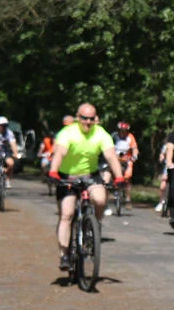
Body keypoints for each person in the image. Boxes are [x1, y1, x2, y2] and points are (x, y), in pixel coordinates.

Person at [47, 103, 126, 270]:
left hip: (90, 174)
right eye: (84, 118)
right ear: (78, 117)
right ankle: (64, 254)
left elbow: (111, 156)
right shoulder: (67, 133)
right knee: (67, 214)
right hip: (67, 175)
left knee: (100, 199)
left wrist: (119, 176)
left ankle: (94, 226)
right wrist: (53, 171)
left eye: (91, 118)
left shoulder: (101, 134)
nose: (88, 122)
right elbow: (59, 152)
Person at [112, 121, 139, 209]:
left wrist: (135, 156)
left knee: (127, 178)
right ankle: (115, 191)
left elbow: (134, 148)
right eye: (121, 130)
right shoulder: (114, 136)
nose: (123, 133)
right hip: (115, 159)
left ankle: (128, 198)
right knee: (113, 175)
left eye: (125, 131)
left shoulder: (130, 137)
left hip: (127, 159)